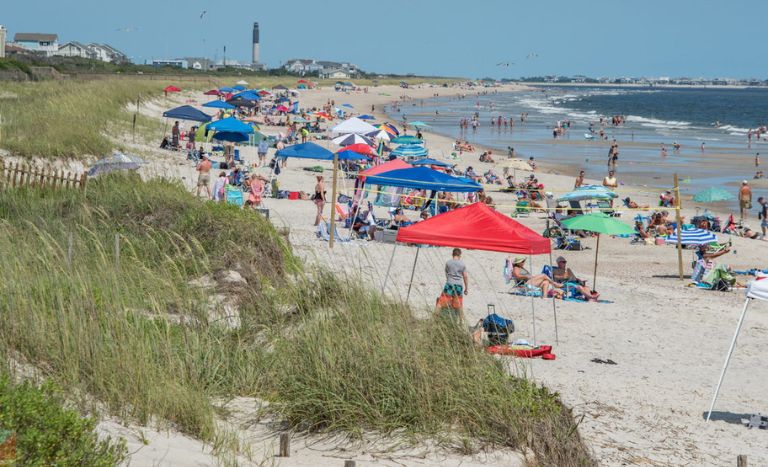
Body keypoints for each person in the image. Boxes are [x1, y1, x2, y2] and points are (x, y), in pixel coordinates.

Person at [436, 248, 469, 322]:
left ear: (452, 254)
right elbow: (465, 276)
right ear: (460, 255)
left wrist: (449, 280)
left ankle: (434, 320)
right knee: (459, 305)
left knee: (440, 303)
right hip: (458, 286)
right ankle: (461, 322)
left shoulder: (448, 263)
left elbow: (446, 273)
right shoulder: (462, 264)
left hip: (449, 284)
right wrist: (466, 288)